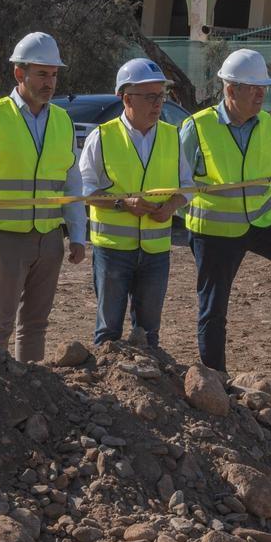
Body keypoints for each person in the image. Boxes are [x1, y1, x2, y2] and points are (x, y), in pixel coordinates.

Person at [179, 49, 271, 373]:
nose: (262, 94)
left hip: (262, 221)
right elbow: (178, 182)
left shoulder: (265, 123)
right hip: (215, 231)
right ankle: (215, 378)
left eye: (264, 88)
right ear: (230, 90)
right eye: (254, 88)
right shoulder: (197, 127)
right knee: (213, 309)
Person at [0, 32, 86, 362]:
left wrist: (76, 234)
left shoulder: (62, 120)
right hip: (4, 239)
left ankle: (33, 395)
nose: (50, 82)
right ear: (19, 74)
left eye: (53, 74)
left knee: (36, 325)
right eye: (42, 73)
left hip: (49, 239)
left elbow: (71, 181)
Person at [79, 59, 190, 348]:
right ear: (127, 98)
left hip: (156, 252)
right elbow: (84, 189)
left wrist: (172, 205)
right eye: (150, 97)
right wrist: (121, 204)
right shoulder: (101, 137)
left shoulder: (171, 136)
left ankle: (151, 389)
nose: (157, 104)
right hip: (113, 251)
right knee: (108, 333)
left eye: (160, 96)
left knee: (149, 334)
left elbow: (188, 186)